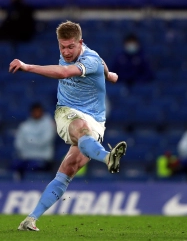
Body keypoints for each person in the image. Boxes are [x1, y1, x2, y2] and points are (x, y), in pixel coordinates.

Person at [9, 20, 127, 231]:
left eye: (70, 47)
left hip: (97, 121)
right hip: (67, 112)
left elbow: (74, 70)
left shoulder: (89, 58)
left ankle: (30, 219)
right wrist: (109, 75)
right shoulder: (77, 53)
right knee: (80, 128)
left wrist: (27, 66)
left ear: (81, 43)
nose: (66, 52)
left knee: (67, 170)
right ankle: (108, 158)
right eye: (62, 47)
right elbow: (99, 64)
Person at [13, 102, 56, 180]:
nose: (36, 113)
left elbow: (44, 142)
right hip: (26, 158)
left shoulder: (49, 124)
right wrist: (33, 143)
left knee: (33, 166)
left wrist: (29, 142)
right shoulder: (24, 126)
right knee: (15, 165)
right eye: (34, 111)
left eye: (38, 111)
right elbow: (18, 144)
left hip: (43, 159)